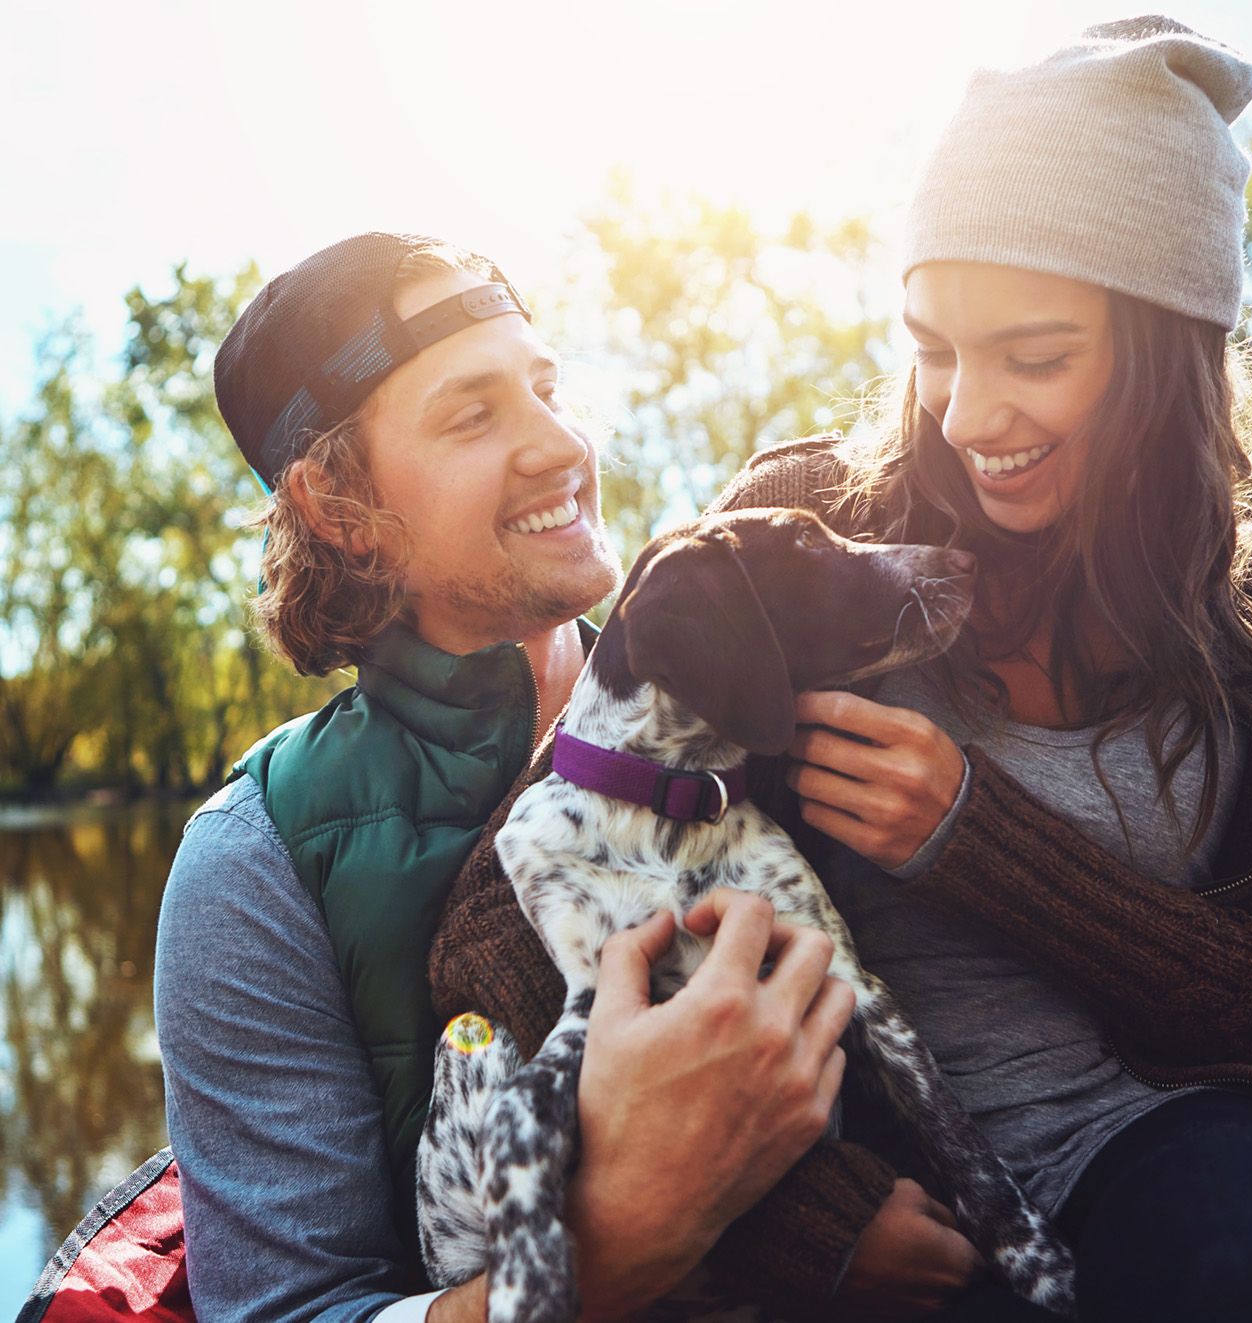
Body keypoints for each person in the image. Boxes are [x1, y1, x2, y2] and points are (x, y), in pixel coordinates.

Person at [427, 18, 1252, 1322]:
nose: (968, 413)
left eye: (1035, 355)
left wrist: (983, 840)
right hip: (921, 1201)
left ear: (1165, 353)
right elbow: (498, 920)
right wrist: (803, 1225)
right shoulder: (797, 538)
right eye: (932, 346)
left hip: (1202, 1157)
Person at [152, 233, 866, 1323]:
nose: (561, 445)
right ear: (341, 506)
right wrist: (621, 1233)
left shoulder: (754, 681)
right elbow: (289, 1309)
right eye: (472, 414)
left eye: (545, 386)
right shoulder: (255, 864)